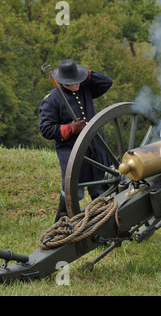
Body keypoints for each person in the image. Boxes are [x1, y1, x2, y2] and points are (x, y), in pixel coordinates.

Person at [39, 59, 113, 222]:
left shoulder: (86, 87)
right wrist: (70, 128)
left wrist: (86, 75)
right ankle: (61, 223)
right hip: (72, 151)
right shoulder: (51, 99)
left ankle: (101, 222)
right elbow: (45, 129)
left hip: (95, 147)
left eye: (78, 79)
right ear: (64, 82)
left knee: (100, 187)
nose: (77, 84)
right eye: (73, 82)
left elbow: (107, 82)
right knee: (73, 192)